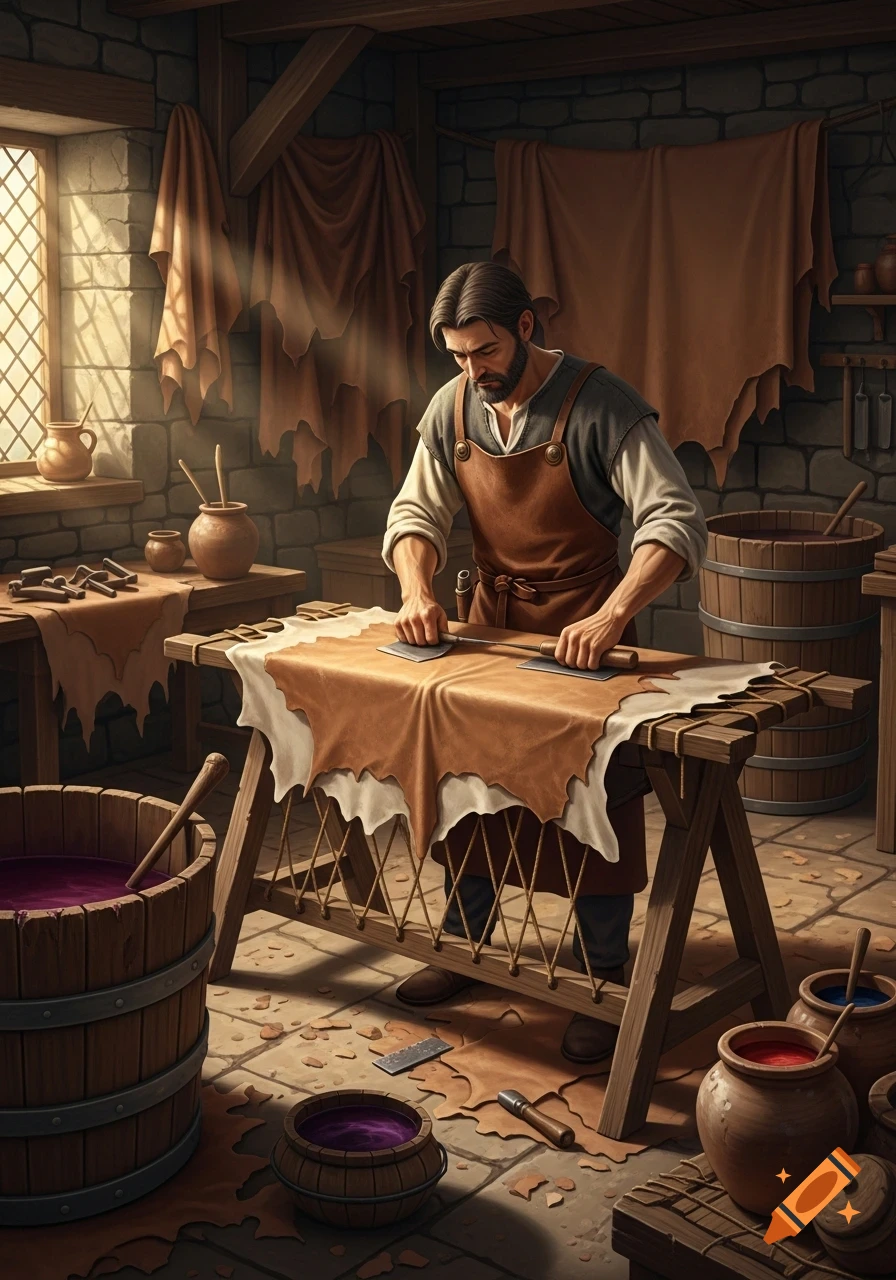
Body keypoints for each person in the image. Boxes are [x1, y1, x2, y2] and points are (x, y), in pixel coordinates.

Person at [381, 261, 707, 1063]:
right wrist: (418, 590)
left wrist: (613, 613)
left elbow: (673, 521)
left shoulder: (604, 405)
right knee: (471, 783)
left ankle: (602, 972)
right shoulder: (452, 407)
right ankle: (465, 944)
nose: (472, 370)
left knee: (592, 790)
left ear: (527, 327)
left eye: (484, 351)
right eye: (457, 356)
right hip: (491, 627)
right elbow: (416, 510)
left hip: (582, 632)